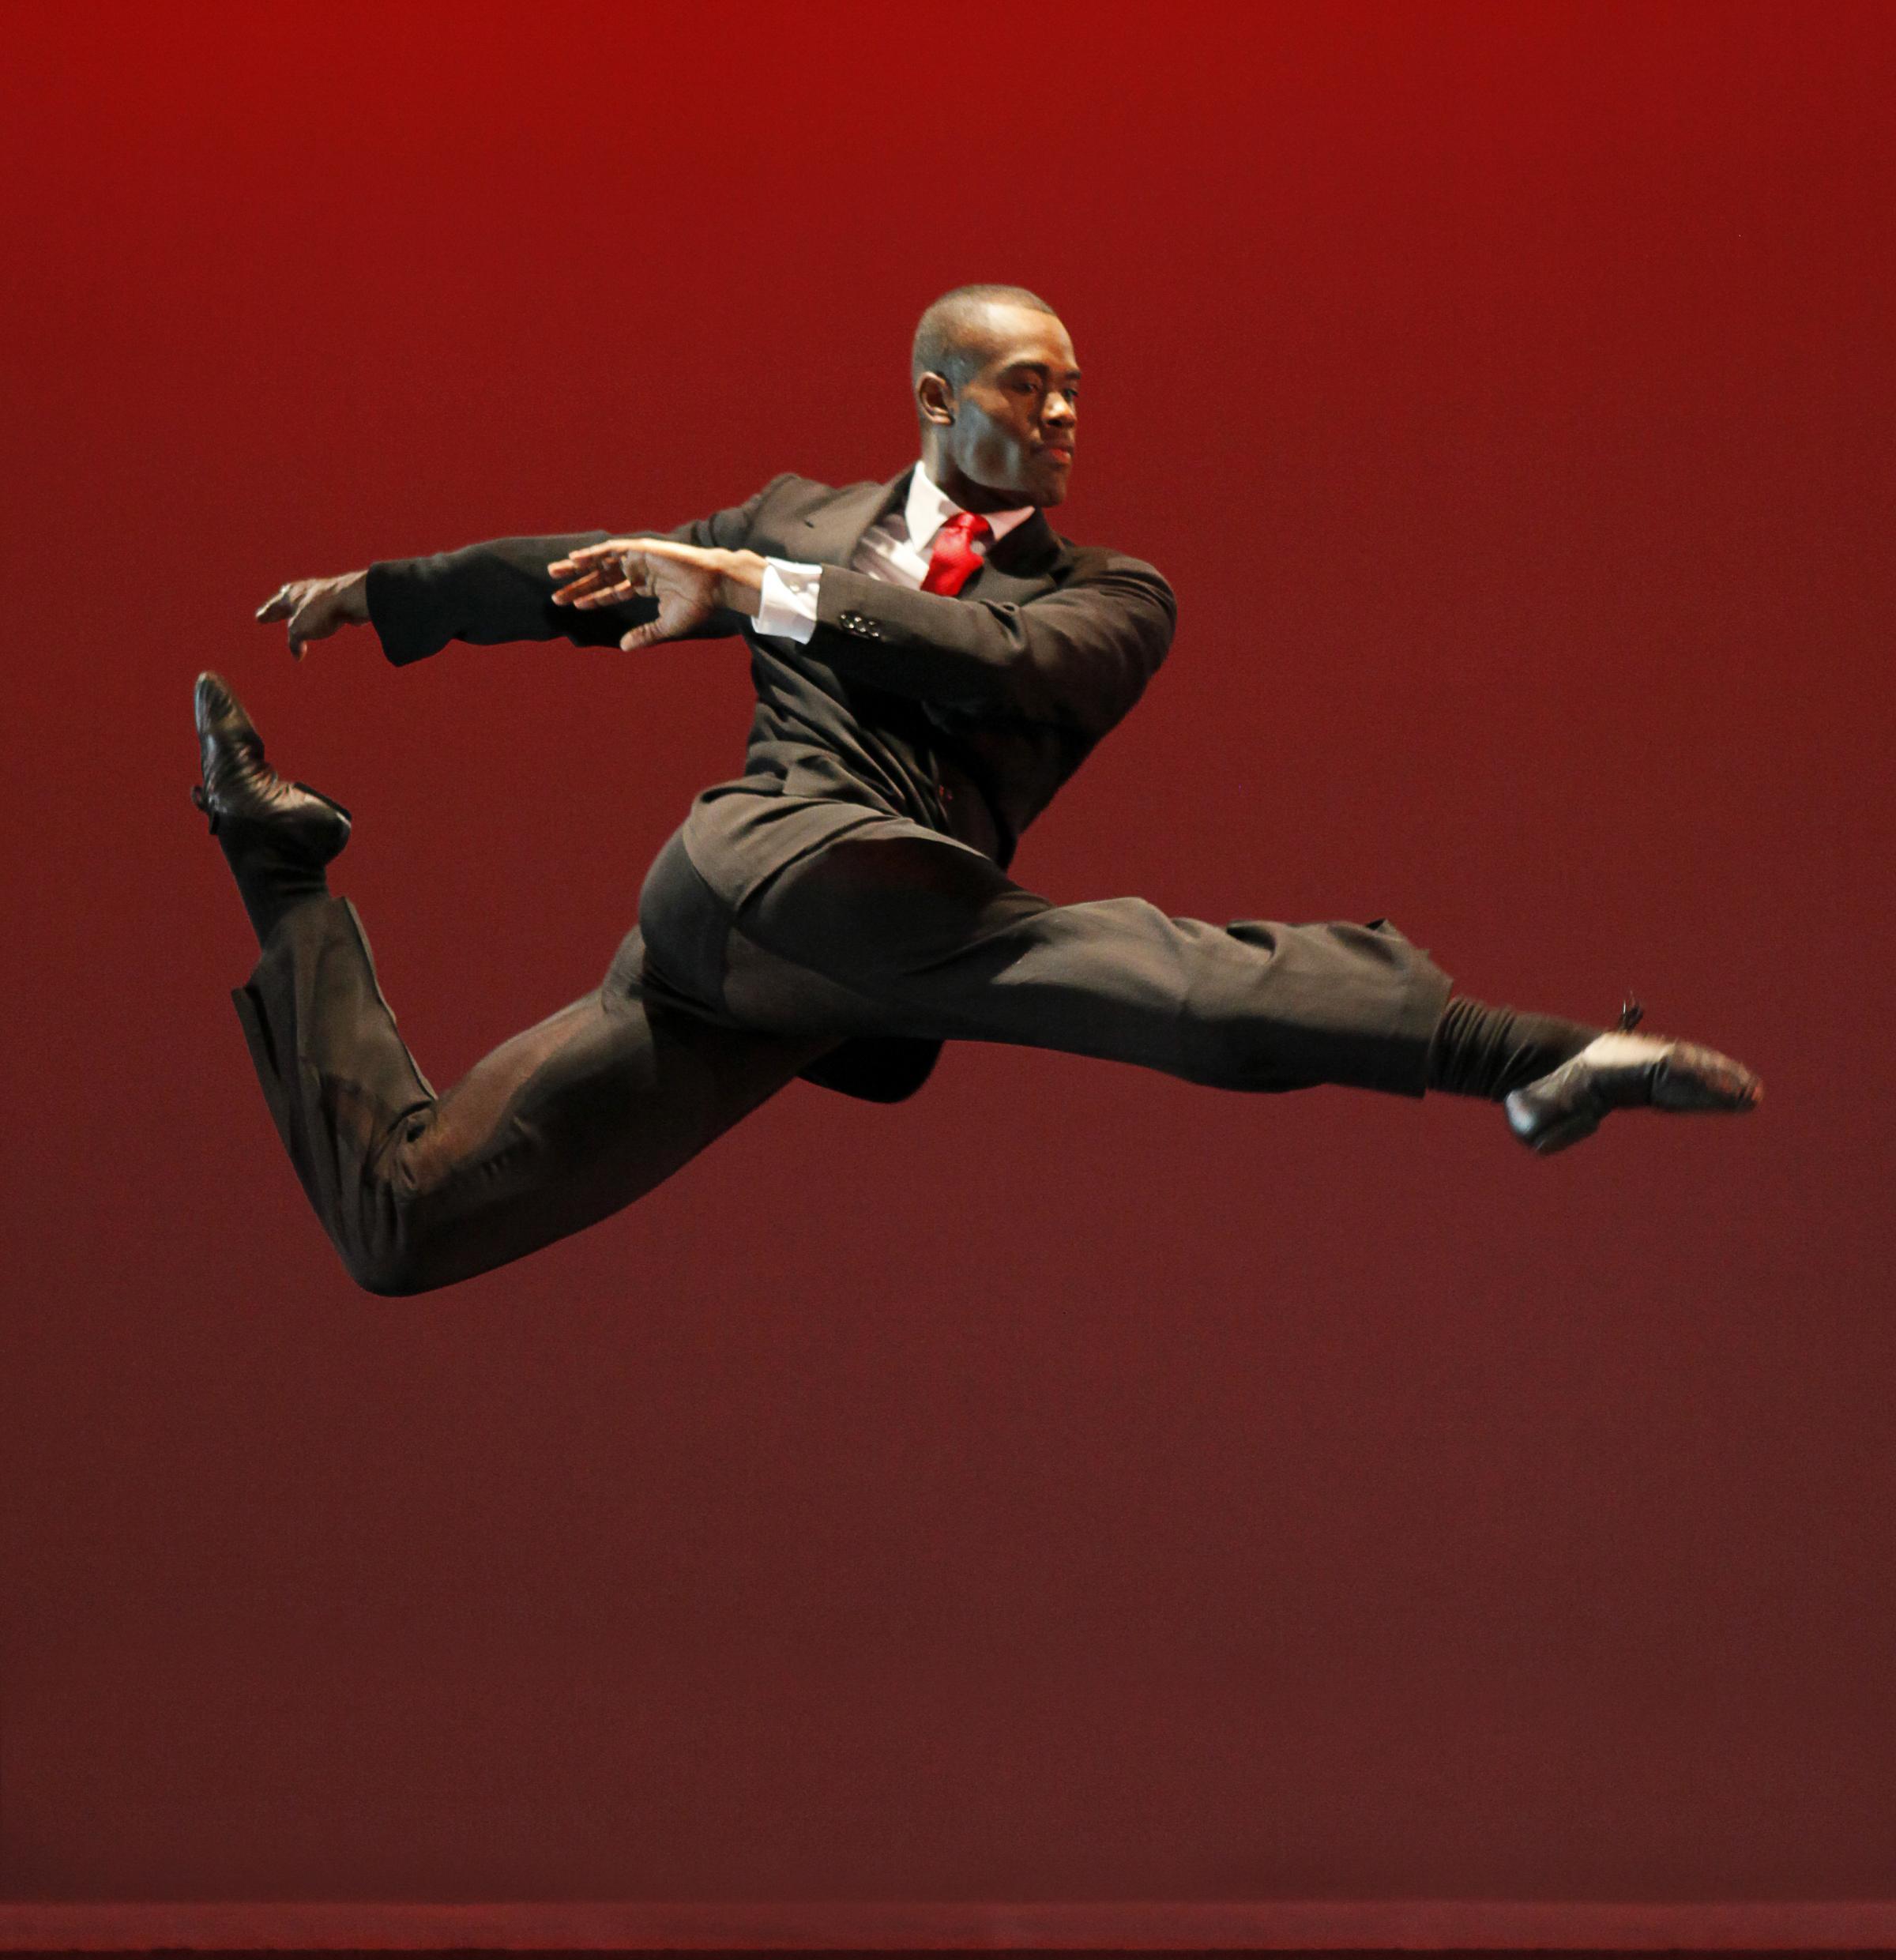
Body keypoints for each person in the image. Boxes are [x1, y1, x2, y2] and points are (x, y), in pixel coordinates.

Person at [192, 284, 1760, 1297]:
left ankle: (279, 870)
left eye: (1077, 389)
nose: (1067, 414)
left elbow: (989, 663)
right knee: (1155, 983)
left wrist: (756, 593)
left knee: (407, 1224)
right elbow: (585, 577)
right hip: (772, 871)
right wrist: (389, 596)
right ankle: (1534, 1054)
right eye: (1028, 387)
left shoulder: (1114, 597)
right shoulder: (797, 518)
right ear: (939, 401)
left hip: (820, 966)